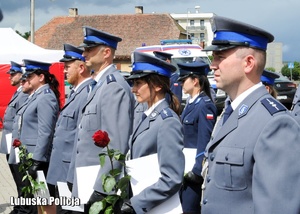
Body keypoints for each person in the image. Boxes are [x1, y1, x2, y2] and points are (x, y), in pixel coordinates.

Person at [200, 15, 300, 214]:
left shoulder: (276, 124)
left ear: (248, 63)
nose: (213, 65)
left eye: (220, 57)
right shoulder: (229, 112)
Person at [66, 26, 135, 212]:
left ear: (106, 53)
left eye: (89, 49)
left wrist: (103, 190)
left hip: (97, 184)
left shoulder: (113, 87)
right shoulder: (100, 85)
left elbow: (115, 144)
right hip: (85, 178)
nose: (84, 53)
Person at [120, 51, 185, 214]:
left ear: (157, 85)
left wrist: (136, 203)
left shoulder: (167, 121)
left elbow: (172, 178)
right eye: (133, 83)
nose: (133, 89)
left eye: (138, 83)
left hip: (153, 206)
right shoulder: (147, 115)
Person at [46, 44, 92, 214]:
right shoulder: (76, 92)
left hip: (70, 173)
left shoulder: (87, 93)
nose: (64, 71)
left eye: (67, 67)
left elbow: (82, 136)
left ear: (81, 67)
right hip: (62, 169)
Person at [9, 59, 60, 214]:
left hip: (36, 159)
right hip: (27, 157)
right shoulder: (35, 96)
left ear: (41, 77)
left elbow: (45, 132)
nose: (27, 80)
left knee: (41, 201)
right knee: (34, 201)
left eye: (30, 76)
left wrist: (37, 160)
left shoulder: (45, 97)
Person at [177, 61, 217, 214]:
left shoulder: (204, 105)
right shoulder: (191, 103)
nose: (180, 83)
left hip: (193, 170)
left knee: (189, 209)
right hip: (184, 166)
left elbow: (204, 139)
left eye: (183, 80)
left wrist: (197, 169)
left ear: (195, 81)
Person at [0, 61, 28, 214]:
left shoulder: (23, 93)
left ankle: (23, 207)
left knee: (20, 177)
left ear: (21, 75)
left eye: (13, 74)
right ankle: (20, 204)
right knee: (16, 177)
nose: (9, 76)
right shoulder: (18, 91)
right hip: (10, 141)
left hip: (16, 143)